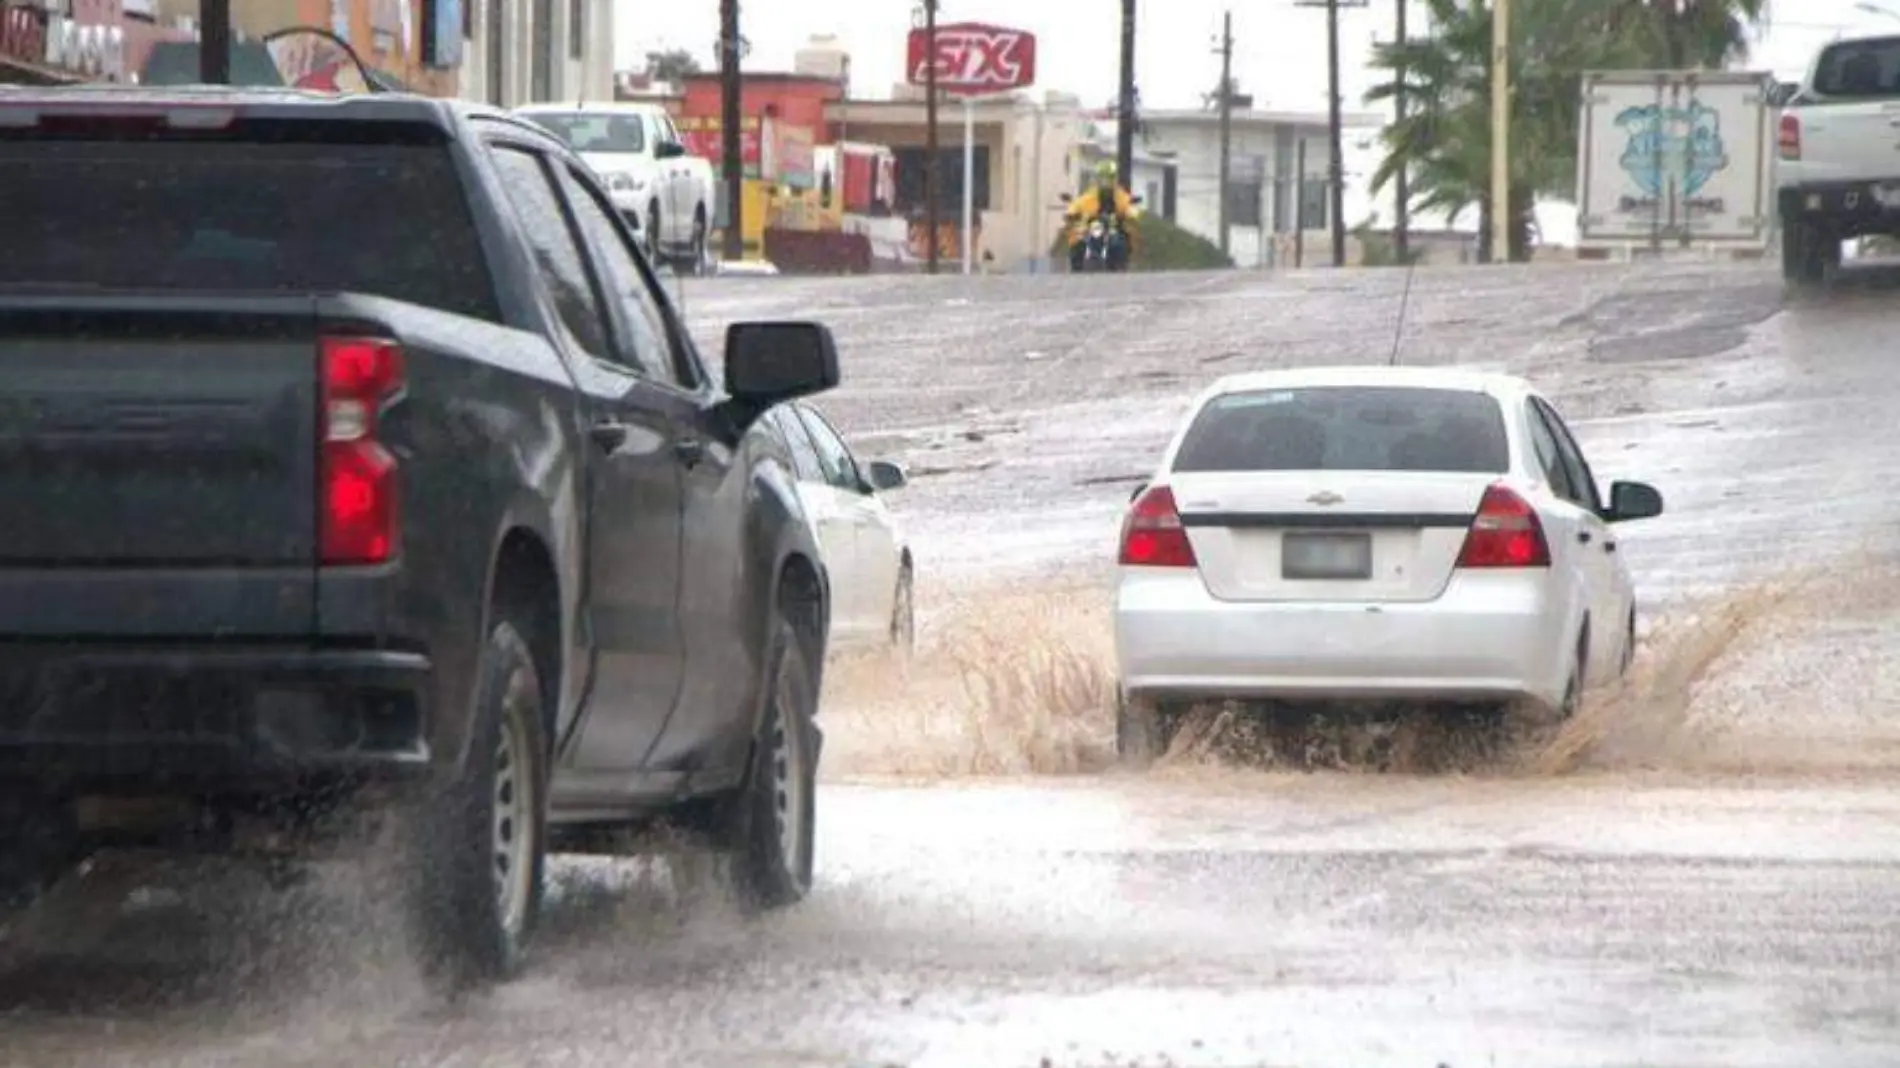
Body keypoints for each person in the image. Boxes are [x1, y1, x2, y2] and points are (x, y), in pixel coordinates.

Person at [1064, 161, 1139, 271]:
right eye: (1102, 178)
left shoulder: (1120, 195)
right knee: (1077, 240)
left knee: (1119, 242)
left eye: (1109, 178)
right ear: (1097, 179)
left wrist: (1131, 213)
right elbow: (1078, 204)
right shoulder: (1090, 195)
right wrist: (1071, 212)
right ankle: (1076, 268)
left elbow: (1127, 205)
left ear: (1114, 179)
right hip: (1092, 228)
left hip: (1114, 228)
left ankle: (1120, 267)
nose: (1105, 182)